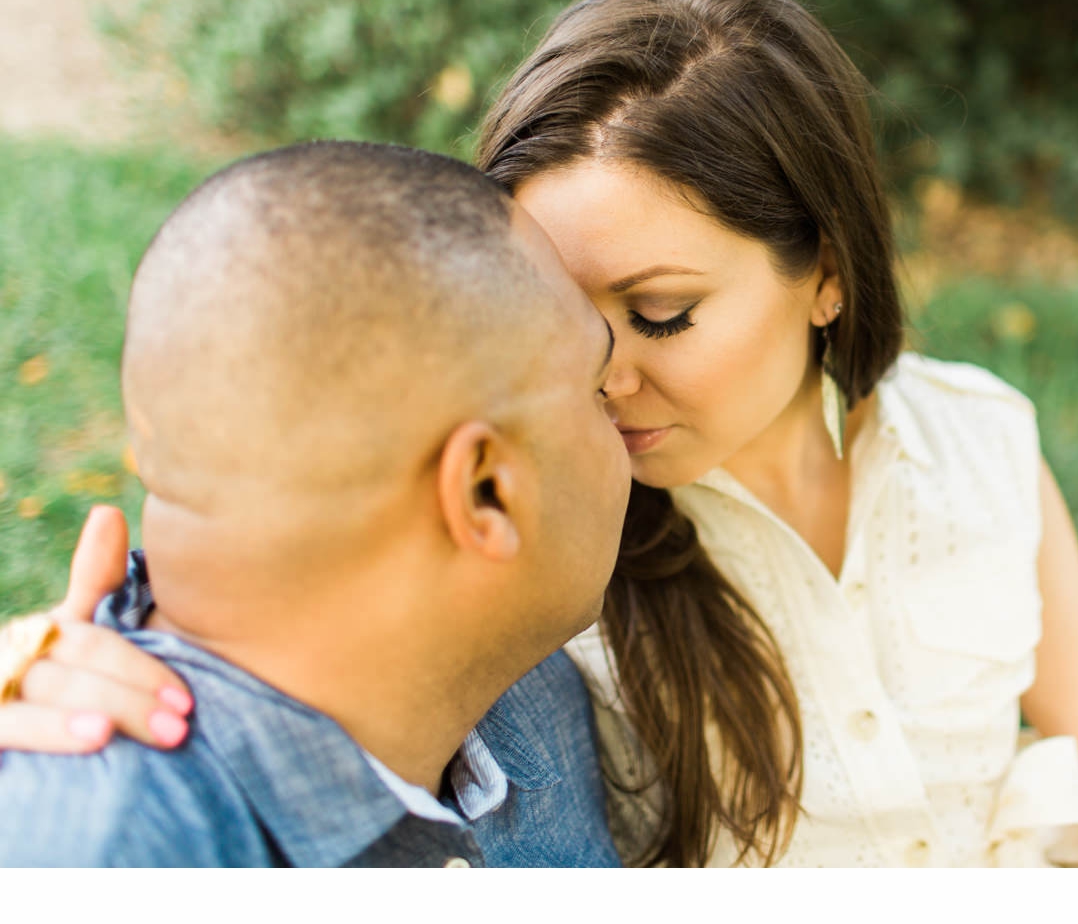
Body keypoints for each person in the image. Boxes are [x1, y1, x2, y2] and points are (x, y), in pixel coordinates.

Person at [3, 0, 1078, 867]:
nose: (599, 375)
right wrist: (80, 655)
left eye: (661, 312)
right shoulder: (546, 570)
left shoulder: (970, 442)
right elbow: (311, 603)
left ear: (826, 272)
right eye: (552, 322)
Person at [0, 142, 629, 866]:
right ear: (485, 492)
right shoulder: (93, 855)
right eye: (598, 386)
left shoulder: (526, 693)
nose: (624, 424)